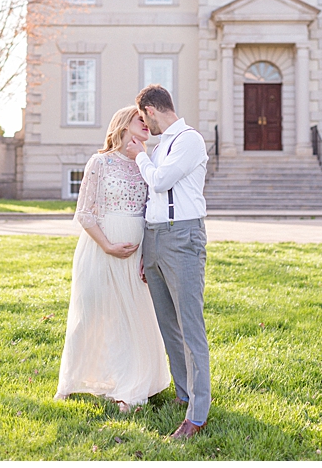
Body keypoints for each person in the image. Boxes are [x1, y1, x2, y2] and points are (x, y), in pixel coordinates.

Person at [54, 106, 170, 411]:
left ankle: (129, 388)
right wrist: (106, 245)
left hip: (136, 254)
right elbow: (84, 212)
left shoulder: (146, 163)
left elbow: (150, 212)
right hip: (99, 249)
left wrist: (148, 253)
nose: (146, 125)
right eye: (139, 120)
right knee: (91, 315)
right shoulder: (100, 162)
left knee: (130, 319)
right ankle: (74, 380)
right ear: (122, 125)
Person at [125, 84, 210, 439]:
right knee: (167, 325)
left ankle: (198, 414)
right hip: (156, 238)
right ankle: (183, 394)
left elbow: (159, 183)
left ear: (152, 110)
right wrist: (147, 248)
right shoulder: (160, 148)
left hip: (183, 238)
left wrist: (138, 155)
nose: (146, 126)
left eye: (145, 118)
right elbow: (152, 201)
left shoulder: (190, 140)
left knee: (190, 326)